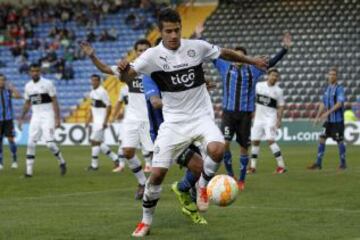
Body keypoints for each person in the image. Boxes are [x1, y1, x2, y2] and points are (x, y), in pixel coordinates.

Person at [115, 8, 267, 237]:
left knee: (217, 148)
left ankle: (203, 186)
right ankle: (145, 222)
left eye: (177, 30)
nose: (174, 35)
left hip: (200, 117)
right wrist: (124, 71)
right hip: (174, 123)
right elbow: (128, 78)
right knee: (156, 175)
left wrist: (251, 60)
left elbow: (224, 53)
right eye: (168, 31)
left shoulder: (196, 47)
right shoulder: (151, 57)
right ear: (161, 32)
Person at [212, 33, 292, 191]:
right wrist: (199, 35)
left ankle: (241, 179)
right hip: (228, 113)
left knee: (243, 147)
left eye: (241, 57)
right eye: (235, 56)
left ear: (245, 58)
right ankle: (230, 175)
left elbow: (272, 62)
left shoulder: (253, 70)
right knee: (225, 145)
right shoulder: (224, 66)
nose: (238, 59)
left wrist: (284, 49)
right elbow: (208, 52)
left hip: (245, 116)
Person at [81, 39, 154, 200]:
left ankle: (190, 183)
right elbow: (105, 68)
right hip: (132, 119)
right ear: (135, 52)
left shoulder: (157, 69)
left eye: (145, 50)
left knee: (162, 156)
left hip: (152, 118)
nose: (142, 52)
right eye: (139, 50)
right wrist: (92, 56)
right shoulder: (128, 70)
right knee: (127, 152)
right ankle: (142, 183)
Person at [18, 63, 67, 177]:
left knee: (49, 144)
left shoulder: (47, 84)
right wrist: (21, 119)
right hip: (35, 115)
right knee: (30, 143)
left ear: (40, 72)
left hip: (48, 115)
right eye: (33, 71)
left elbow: (55, 101)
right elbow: (27, 103)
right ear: (30, 72)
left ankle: (61, 161)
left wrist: (57, 118)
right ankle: (29, 172)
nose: (35, 73)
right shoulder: (28, 86)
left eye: (37, 71)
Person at [248, 68, 286, 174]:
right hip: (258, 118)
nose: (274, 77)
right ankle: (252, 167)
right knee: (255, 141)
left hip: (271, 118)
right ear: (268, 76)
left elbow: (281, 106)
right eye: (272, 75)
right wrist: (252, 110)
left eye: (276, 76)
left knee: (270, 140)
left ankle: (281, 166)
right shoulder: (259, 85)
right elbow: (252, 97)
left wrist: (279, 120)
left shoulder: (278, 91)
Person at [308, 67, 346, 170]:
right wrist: (317, 117)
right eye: (330, 74)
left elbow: (339, 104)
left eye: (334, 74)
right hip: (328, 121)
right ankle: (318, 163)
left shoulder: (339, 88)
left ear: (336, 76)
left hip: (338, 121)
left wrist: (327, 112)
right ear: (328, 76)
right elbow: (323, 103)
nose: (331, 76)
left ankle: (343, 163)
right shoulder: (327, 89)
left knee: (339, 141)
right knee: (322, 138)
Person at [112, 84, 152, 173]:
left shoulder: (141, 85)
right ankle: (121, 165)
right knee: (122, 142)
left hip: (142, 119)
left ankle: (148, 164)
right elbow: (120, 102)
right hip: (128, 120)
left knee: (144, 143)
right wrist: (115, 116)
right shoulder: (123, 89)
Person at [86, 74, 121, 171]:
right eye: (92, 80)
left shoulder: (102, 92)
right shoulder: (92, 92)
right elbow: (93, 108)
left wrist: (105, 121)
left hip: (101, 121)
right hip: (96, 122)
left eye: (95, 80)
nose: (93, 82)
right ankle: (116, 158)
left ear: (99, 81)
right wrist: (89, 119)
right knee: (98, 143)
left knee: (94, 141)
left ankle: (94, 165)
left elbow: (109, 107)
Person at [0, 74, 22, 170]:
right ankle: (0, 163)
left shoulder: (8, 91)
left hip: (8, 120)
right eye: (0, 80)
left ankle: (14, 160)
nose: (1, 82)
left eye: (3, 80)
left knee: (11, 140)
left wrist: (13, 88)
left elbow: (18, 96)